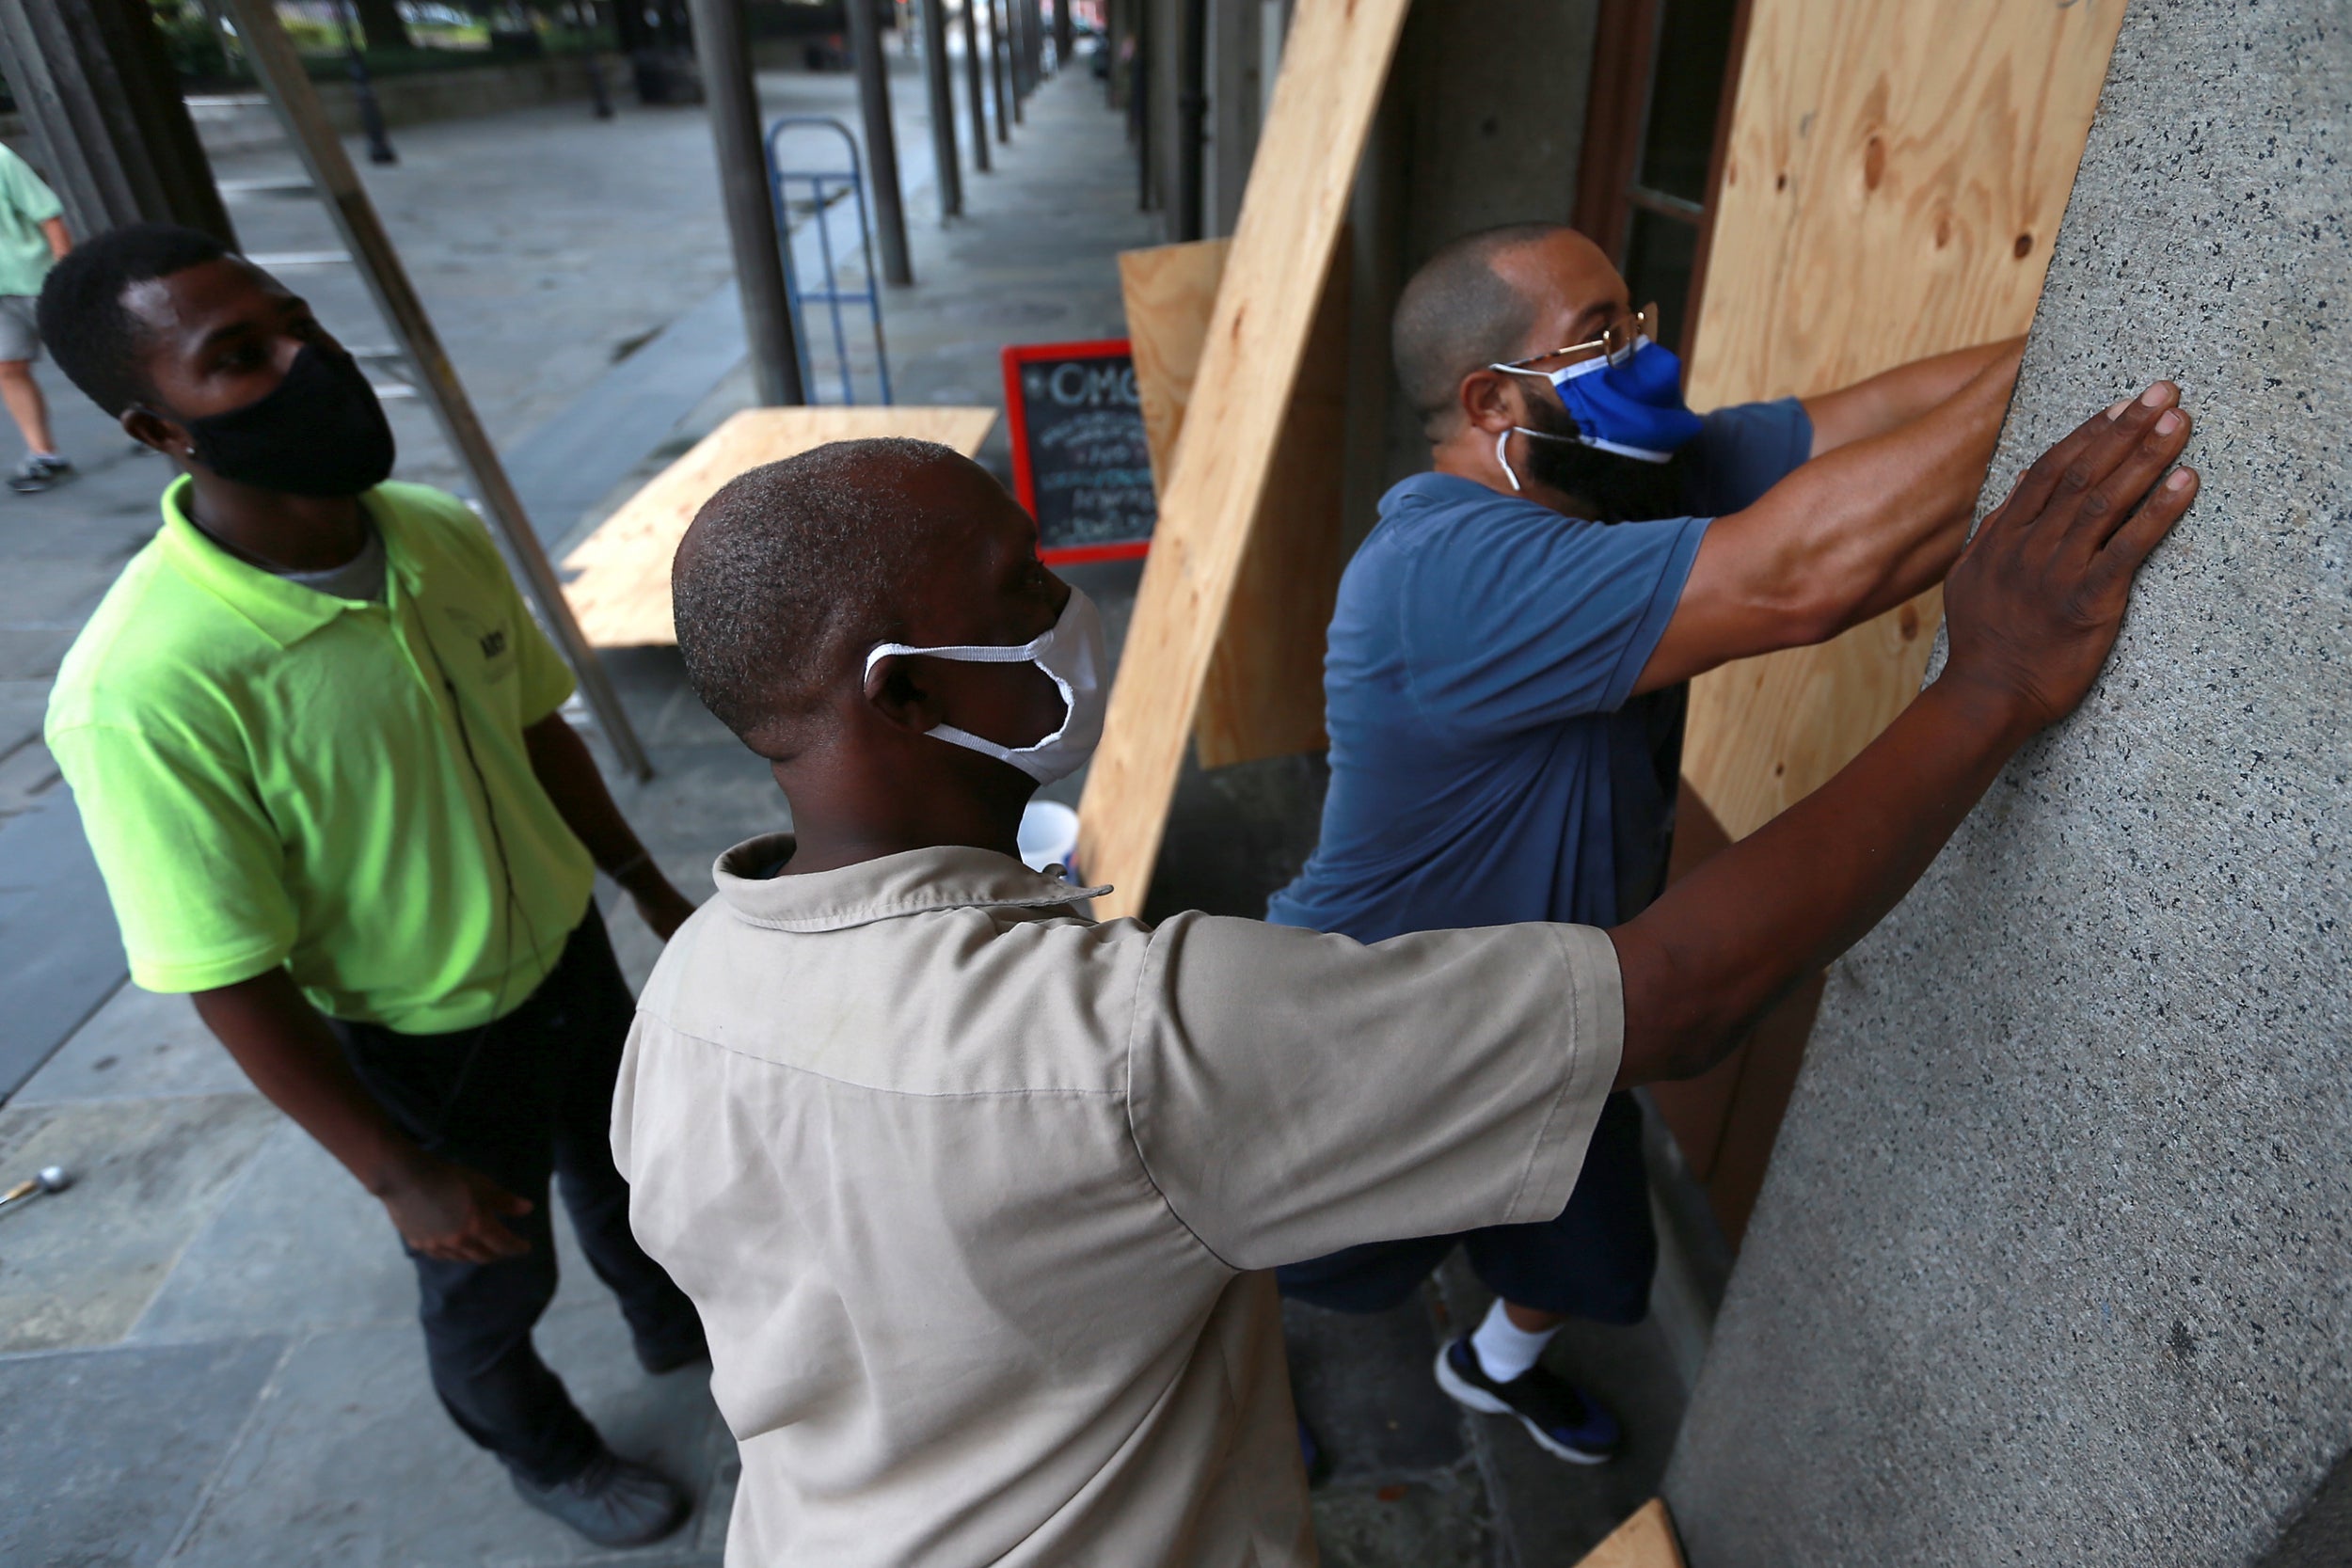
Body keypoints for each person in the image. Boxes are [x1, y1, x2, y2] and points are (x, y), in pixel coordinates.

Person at [620, 396, 2196, 1564]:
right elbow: (1691, 988)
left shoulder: (689, 994)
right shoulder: (1114, 1045)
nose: (1072, 613)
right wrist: (1988, 682)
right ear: (899, 694)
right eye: (1020, 588)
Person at [1263, 222, 2031, 1462]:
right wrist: (2137, 357)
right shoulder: (1441, 566)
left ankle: (1487, 1364)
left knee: (1592, 1255)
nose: (1646, 355)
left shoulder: (1619, 473)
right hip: (1368, 1055)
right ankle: (1236, 1397)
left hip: (1554, 1034)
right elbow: (1809, 571)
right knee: (1301, 1263)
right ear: (1491, 399)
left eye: (1636, 316)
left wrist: (2098, 316)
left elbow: (1883, 412)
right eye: (1599, 335)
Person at [39, 224, 706, 1549]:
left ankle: (670, 1315)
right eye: (239, 358)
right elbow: (222, 967)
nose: (309, 361)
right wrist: (394, 1169)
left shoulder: (434, 533)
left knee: (630, 1168)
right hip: (427, 1040)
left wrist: (641, 883)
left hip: (569, 948)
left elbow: (533, 725)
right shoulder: (148, 685)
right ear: (156, 425)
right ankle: (546, 1449)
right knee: (486, 1279)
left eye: (297, 322)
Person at [0, 144, 72, 494]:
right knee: (8, 367)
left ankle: (153, 419)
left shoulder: (2, 159)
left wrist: (64, 273)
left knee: (88, 354)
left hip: (38, 280)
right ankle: (44, 454)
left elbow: (48, 215)